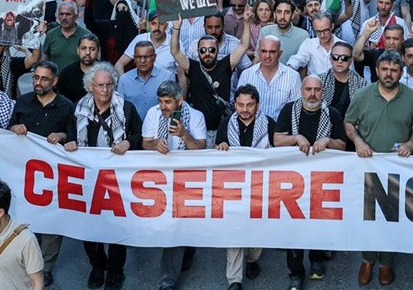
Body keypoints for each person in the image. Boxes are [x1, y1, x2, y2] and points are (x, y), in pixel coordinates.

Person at [345, 51, 413, 285]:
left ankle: (386, 262)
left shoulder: (411, 97)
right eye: (385, 69)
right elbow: (349, 123)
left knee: (392, 217)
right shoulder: (363, 95)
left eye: (394, 70)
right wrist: (358, 142)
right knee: (369, 216)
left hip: (398, 169)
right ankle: (367, 259)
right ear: (377, 70)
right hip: (367, 167)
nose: (389, 74)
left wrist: (411, 143)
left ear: (401, 72)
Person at [64, 64, 142, 289]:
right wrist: (69, 141)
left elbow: (138, 135)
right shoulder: (79, 108)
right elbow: (71, 133)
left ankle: (115, 270)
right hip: (88, 178)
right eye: (100, 85)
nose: (105, 90)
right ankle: (98, 265)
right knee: (89, 226)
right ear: (91, 87)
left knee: (117, 226)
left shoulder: (126, 109)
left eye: (109, 85)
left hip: (117, 180)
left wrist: (128, 142)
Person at [274, 74, 346, 288]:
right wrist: (296, 138)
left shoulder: (332, 114)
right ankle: (295, 273)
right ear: (301, 90)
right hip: (292, 181)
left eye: (317, 90)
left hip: (321, 179)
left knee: (318, 221)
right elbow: (277, 140)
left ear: (323, 92)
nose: (312, 94)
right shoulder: (289, 110)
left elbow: (342, 144)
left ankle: (317, 259)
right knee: (293, 225)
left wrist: (328, 140)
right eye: (308, 89)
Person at [7, 61, 74, 284]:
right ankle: (28, 262)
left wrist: (63, 136)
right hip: (25, 175)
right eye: (36, 78)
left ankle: (45, 268)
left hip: (54, 176)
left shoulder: (66, 106)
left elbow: (73, 138)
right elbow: (8, 130)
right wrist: (14, 129)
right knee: (27, 220)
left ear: (54, 81)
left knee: (52, 223)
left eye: (44, 79)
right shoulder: (23, 102)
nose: (38, 82)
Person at [139, 79, 206, 290]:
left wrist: (184, 135)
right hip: (161, 180)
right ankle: (167, 280)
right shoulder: (153, 114)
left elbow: (201, 149)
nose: (163, 107)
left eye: (167, 102)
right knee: (172, 226)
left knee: (182, 224)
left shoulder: (196, 117)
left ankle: (187, 249)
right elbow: (145, 142)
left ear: (180, 101)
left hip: (187, 180)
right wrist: (154, 145)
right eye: (160, 101)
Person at [215, 85, 271, 290]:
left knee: (258, 230)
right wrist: (219, 148)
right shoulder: (225, 124)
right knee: (234, 231)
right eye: (240, 104)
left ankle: (252, 259)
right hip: (233, 188)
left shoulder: (269, 125)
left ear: (257, 105)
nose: (245, 109)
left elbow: (281, 157)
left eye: (250, 104)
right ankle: (234, 280)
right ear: (235, 104)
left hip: (260, 187)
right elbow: (216, 152)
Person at [238, 36, 301, 121]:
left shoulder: (293, 76)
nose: (267, 56)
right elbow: (240, 106)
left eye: (272, 52)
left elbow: (296, 110)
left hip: (281, 131)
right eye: (264, 51)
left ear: (280, 53)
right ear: (258, 52)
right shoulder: (246, 75)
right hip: (252, 129)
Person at [117, 41, 172, 118]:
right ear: (134, 58)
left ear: (154, 57)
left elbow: (172, 107)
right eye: (139, 57)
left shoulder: (166, 77)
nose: (142, 61)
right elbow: (119, 110)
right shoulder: (124, 80)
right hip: (132, 128)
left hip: (159, 127)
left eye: (146, 57)